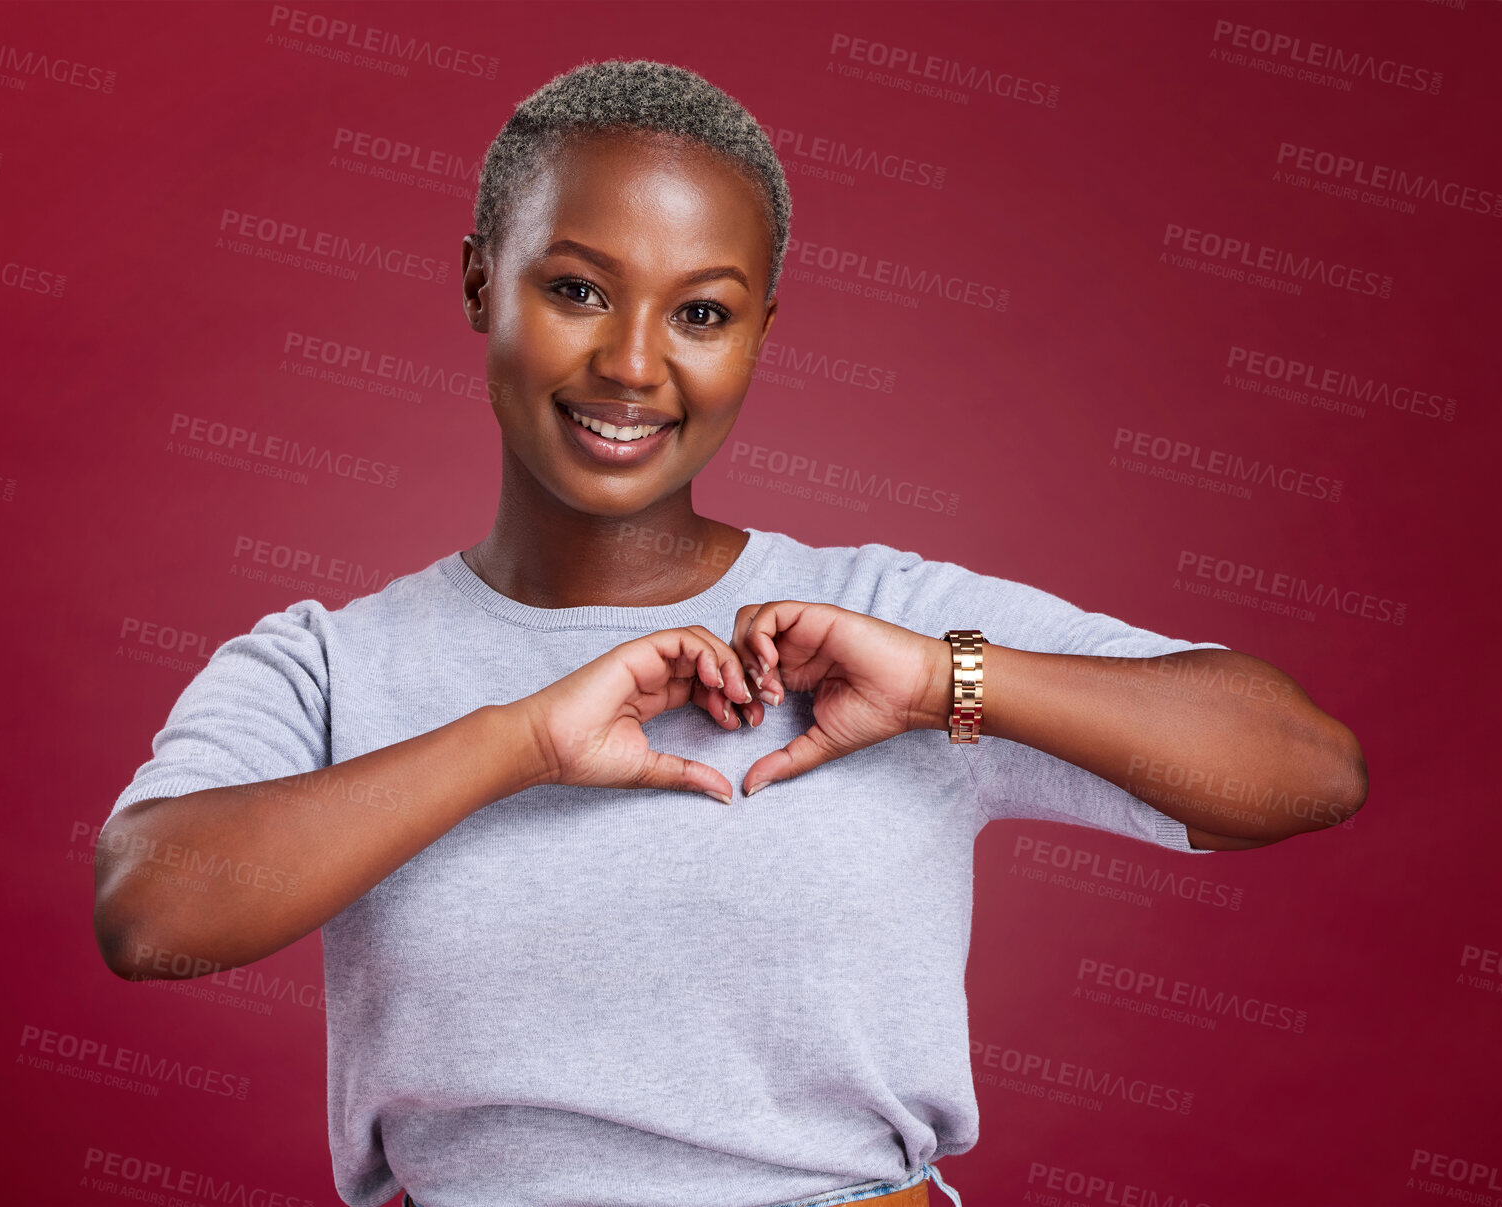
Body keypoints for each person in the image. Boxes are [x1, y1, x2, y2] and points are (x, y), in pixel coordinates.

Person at [93, 59, 1368, 1207]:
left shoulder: (887, 623)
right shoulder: (326, 662)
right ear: (482, 278)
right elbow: (150, 912)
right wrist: (518, 740)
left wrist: (941, 679)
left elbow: (1303, 771)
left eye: (701, 312)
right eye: (578, 288)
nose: (634, 364)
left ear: (762, 329)